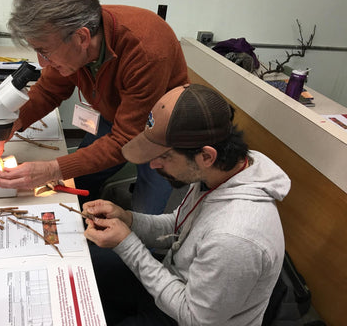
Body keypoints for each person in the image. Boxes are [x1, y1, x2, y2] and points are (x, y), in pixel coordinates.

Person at [0, 0, 189, 214]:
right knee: (78, 184)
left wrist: (51, 169)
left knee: (146, 217)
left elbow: (125, 139)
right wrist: (12, 124)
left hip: (162, 132)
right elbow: (48, 90)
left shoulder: (145, 49)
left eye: (45, 52)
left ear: (82, 38)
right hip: (114, 117)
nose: (42, 63)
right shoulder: (67, 32)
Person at [83, 84, 291, 325]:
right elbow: (179, 226)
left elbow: (194, 317)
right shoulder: (218, 172)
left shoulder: (235, 237)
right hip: (175, 283)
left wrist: (127, 244)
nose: (153, 165)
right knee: (86, 267)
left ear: (206, 156)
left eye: (165, 157)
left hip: (186, 316)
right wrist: (127, 218)